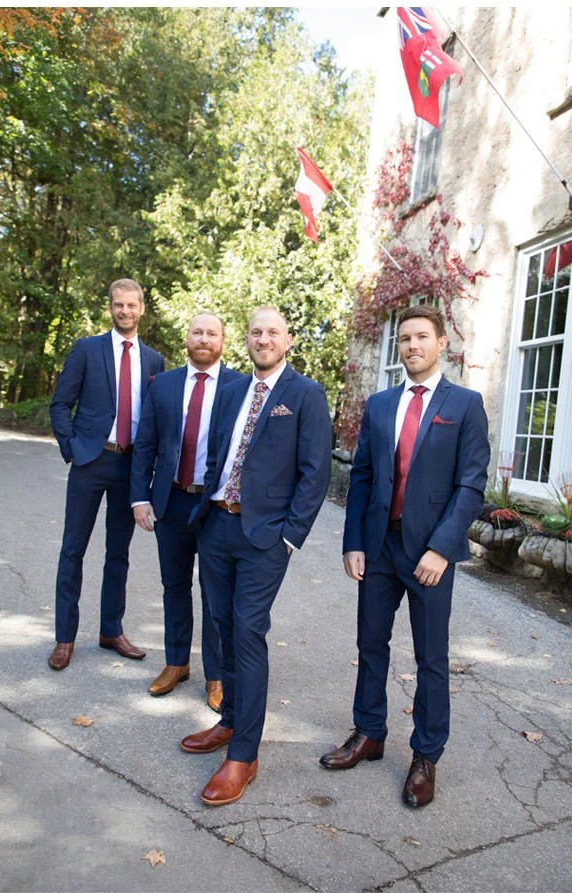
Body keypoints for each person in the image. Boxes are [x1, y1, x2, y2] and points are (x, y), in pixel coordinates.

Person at [320, 303, 489, 809]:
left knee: (431, 657)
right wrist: (353, 542)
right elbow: (364, 476)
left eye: (421, 337)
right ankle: (369, 733)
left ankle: (425, 755)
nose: (412, 346)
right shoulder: (379, 404)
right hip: (379, 547)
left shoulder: (465, 405)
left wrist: (441, 549)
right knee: (370, 643)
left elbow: (470, 484)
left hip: (428, 553)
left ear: (441, 344)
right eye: (405, 340)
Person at [181, 305, 330, 806]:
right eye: (256, 332)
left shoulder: (304, 395)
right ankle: (228, 722)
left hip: (266, 537)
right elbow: (218, 454)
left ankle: (244, 755)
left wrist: (291, 536)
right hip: (218, 525)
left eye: (273, 333)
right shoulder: (230, 391)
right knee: (220, 627)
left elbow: (315, 472)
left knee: (248, 631)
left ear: (287, 341)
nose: (263, 339)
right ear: (245, 340)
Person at [47, 279, 165, 671]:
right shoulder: (87, 350)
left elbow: (155, 420)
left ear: (141, 308)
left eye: (131, 305)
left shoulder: (153, 362)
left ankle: (110, 630)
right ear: (110, 307)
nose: (125, 311)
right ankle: (65, 638)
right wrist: (72, 449)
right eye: (118, 305)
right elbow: (61, 403)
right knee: (73, 549)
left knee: (119, 552)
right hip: (90, 461)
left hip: (130, 468)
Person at [130, 312, 244, 708]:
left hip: (215, 506)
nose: (204, 339)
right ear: (187, 338)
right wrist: (139, 497)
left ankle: (216, 676)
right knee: (174, 586)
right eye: (198, 332)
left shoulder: (241, 386)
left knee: (216, 593)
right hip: (171, 501)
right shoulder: (162, 385)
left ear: (223, 340)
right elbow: (145, 443)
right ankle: (176, 662)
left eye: (212, 333)